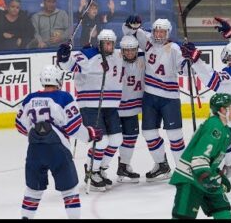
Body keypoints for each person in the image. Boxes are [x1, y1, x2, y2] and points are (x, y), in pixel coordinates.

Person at [15, 65, 103, 219]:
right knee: (69, 190)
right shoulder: (64, 97)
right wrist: (90, 134)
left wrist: (37, 132)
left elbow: (20, 126)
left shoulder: (29, 98)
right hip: (58, 150)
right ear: (58, 80)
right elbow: (74, 127)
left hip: (34, 150)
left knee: (33, 190)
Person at [122, 15, 201, 182]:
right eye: (156, 31)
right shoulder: (147, 41)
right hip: (150, 96)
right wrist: (131, 23)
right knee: (149, 133)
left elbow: (185, 71)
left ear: (168, 32)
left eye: (162, 32)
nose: (158, 34)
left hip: (169, 98)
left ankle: (182, 169)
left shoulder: (174, 49)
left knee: (174, 135)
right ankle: (161, 165)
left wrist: (190, 59)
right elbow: (128, 32)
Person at [57, 29, 124, 192]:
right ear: (99, 43)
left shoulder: (117, 56)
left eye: (111, 43)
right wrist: (64, 56)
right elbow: (68, 66)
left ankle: (100, 168)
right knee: (101, 141)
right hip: (90, 104)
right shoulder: (87, 55)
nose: (109, 46)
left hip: (111, 105)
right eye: (105, 43)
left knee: (116, 140)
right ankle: (91, 172)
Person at [190, 17, 231, 179]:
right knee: (225, 142)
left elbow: (212, 80)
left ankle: (214, 171)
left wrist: (196, 59)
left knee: (218, 144)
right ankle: (230, 167)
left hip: (230, 116)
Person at [169, 93, 231, 219]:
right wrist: (206, 176)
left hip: (206, 175)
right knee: (182, 217)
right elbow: (199, 157)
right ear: (222, 110)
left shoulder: (224, 129)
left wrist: (217, 174)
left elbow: (210, 157)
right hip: (190, 178)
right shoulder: (214, 126)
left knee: (223, 211)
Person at [116, 35, 146, 183]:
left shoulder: (143, 58)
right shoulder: (114, 59)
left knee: (131, 136)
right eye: (126, 51)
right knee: (110, 140)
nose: (129, 53)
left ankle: (123, 166)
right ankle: (98, 170)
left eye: (132, 50)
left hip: (132, 107)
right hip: (115, 107)